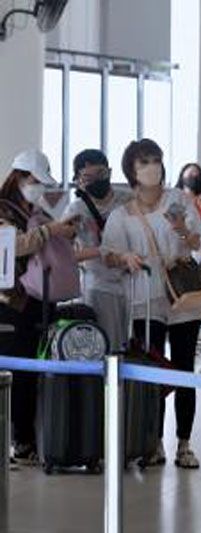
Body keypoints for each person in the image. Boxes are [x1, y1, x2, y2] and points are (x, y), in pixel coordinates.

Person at [103, 139, 201, 469]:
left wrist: (182, 230)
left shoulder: (178, 199)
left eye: (156, 160)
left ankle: (185, 443)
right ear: (131, 170)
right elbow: (109, 255)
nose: (152, 167)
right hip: (145, 296)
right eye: (144, 162)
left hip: (183, 292)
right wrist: (124, 258)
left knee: (185, 367)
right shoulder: (122, 213)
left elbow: (197, 241)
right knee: (152, 368)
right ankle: (154, 441)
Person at [0, 149, 77, 464]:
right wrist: (49, 231)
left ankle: (28, 438)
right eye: (34, 181)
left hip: (37, 299)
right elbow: (13, 245)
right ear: (18, 177)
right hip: (10, 303)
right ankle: (19, 439)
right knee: (18, 371)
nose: (38, 187)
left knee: (32, 371)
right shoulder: (4, 210)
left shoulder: (32, 209)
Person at [63, 149, 132, 352]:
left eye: (101, 174)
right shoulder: (75, 210)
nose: (96, 181)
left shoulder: (127, 201)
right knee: (103, 347)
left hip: (132, 283)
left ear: (110, 172)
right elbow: (66, 255)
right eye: (88, 177)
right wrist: (100, 251)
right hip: (98, 286)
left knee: (129, 348)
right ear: (78, 180)